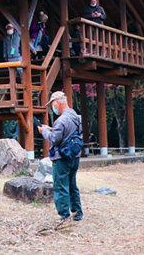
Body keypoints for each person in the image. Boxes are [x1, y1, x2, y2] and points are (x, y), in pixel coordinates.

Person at [38, 91, 83, 224]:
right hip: (74, 156)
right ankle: (77, 212)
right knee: (72, 185)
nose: (53, 107)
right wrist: (52, 128)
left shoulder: (61, 120)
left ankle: (64, 215)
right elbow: (66, 133)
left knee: (60, 186)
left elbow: (54, 139)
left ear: (57, 103)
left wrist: (44, 131)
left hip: (62, 158)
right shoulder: (75, 116)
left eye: (52, 104)